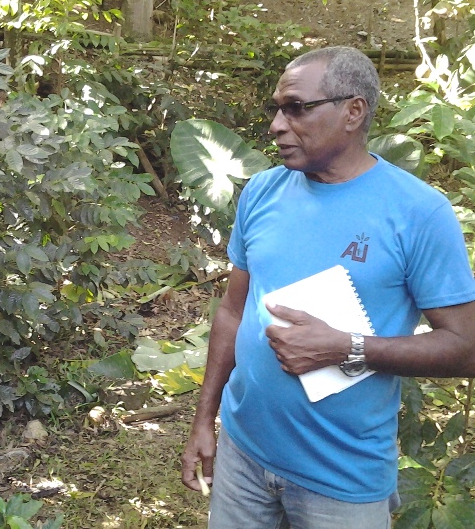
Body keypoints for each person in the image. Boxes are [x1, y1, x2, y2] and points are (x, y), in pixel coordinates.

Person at [180, 46, 475, 528]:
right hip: (243, 454)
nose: (277, 124)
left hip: (342, 477)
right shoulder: (262, 191)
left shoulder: (419, 213)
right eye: (277, 109)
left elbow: (467, 349)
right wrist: (204, 419)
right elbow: (233, 312)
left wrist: (346, 347)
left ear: (353, 111)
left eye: (296, 108)